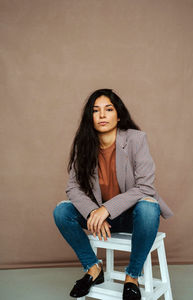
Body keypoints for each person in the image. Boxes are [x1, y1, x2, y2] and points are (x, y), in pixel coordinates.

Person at [53, 88, 173, 300]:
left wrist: (106, 209)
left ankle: (132, 276)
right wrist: (92, 212)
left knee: (148, 206)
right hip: (100, 220)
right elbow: (73, 187)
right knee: (62, 211)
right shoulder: (84, 145)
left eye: (108, 109)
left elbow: (145, 187)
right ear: (89, 116)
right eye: (95, 110)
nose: (101, 115)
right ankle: (93, 268)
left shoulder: (136, 139)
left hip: (133, 217)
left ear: (118, 115)